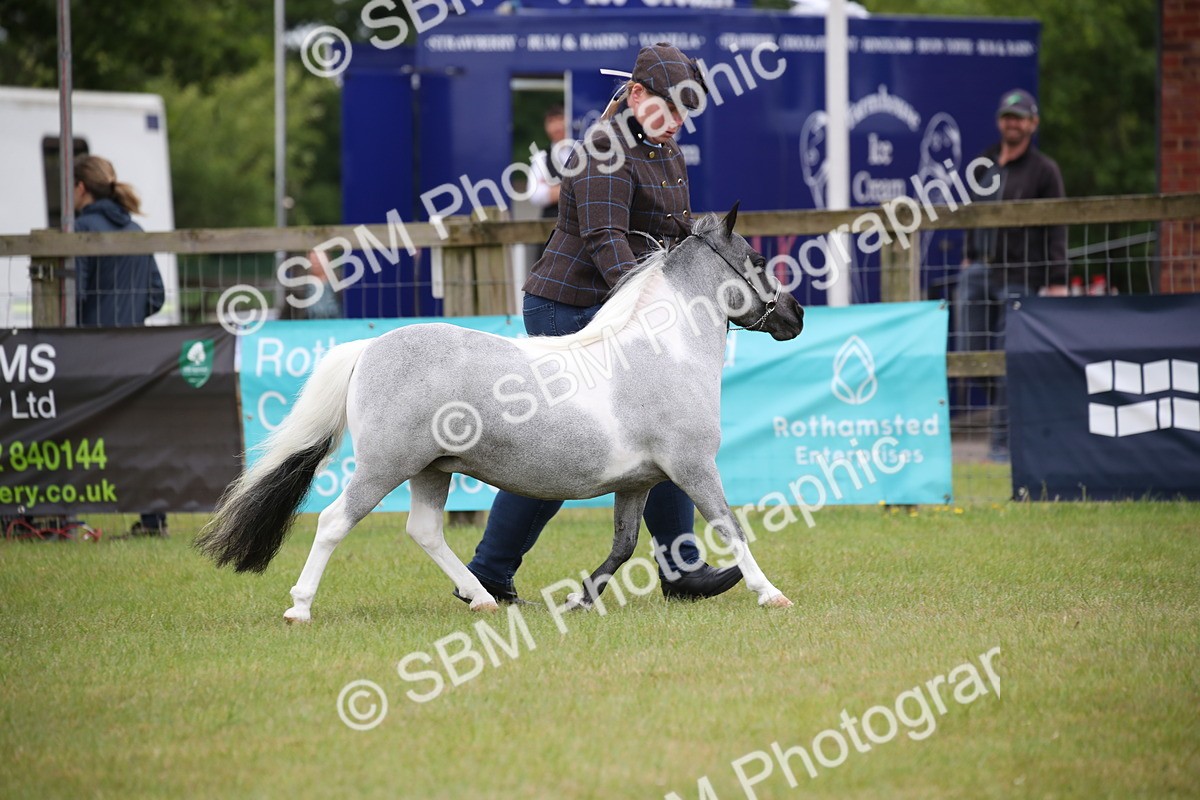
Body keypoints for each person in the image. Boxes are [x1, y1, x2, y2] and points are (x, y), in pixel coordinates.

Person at [459, 43, 743, 605]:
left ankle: (680, 570)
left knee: (663, 431)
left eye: (686, 110)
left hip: (623, 308)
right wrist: (654, 315)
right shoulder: (603, 150)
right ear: (636, 95)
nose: (678, 121)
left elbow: (677, 243)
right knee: (558, 451)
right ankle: (488, 571)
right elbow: (604, 239)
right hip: (568, 307)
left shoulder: (668, 153)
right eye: (670, 107)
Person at [956, 89, 1067, 461]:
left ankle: (1002, 446)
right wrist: (969, 258)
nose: (1012, 123)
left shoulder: (1044, 170)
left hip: (1021, 274)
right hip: (979, 270)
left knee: (1008, 356)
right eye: (1007, 116)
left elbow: (1057, 227)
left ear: (1033, 123)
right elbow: (973, 214)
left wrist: (1056, 280)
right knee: (971, 351)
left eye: (1020, 117)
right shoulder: (984, 163)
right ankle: (1015, 414)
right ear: (999, 121)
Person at [73, 155, 169, 536]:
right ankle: (153, 520)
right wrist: (129, 312)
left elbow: (73, 296)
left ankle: (63, 515)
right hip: (135, 351)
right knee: (137, 438)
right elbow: (157, 297)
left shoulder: (80, 229)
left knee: (77, 434)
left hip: (90, 351)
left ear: (80, 188)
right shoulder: (135, 231)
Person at [278, 250, 343, 319]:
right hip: (307, 325)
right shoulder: (299, 285)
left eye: (318, 259)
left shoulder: (340, 281)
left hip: (337, 324)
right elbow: (287, 311)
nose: (316, 262)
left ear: (327, 259)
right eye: (313, 259)